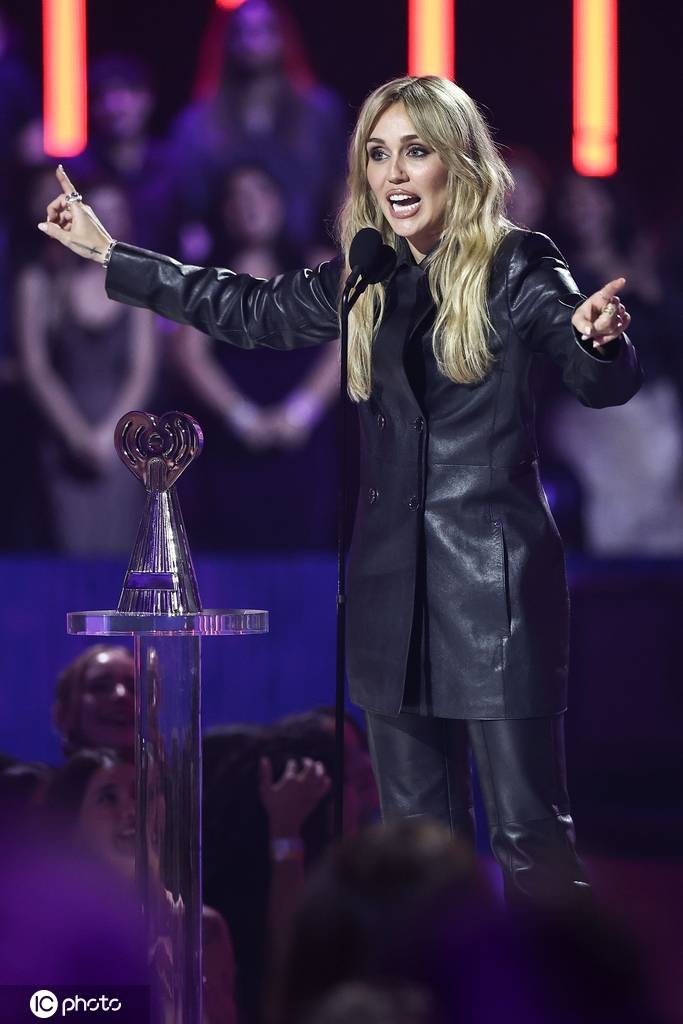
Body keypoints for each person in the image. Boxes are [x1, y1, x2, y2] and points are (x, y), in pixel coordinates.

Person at [37, 74, 641, 904]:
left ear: (458, 162)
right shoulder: (367, 273)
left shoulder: (517, 264)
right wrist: (113, 256)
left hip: (491, 591)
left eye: (415, 151)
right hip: (389, 592)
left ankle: (554, 977)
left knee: (525, 835)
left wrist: (597, 342)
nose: (394, 173)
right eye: (378, 154)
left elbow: (591, 370)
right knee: (414, 847)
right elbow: (246, 307)